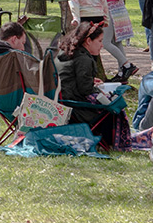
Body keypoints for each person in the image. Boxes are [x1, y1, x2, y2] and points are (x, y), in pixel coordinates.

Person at [54, 22, 127, 151]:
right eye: (99, 41)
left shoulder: (65, 53)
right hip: (75, 107)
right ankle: (110, 144)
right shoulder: (84, 59)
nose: (102, 45)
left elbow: (70, 77)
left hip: (61, 102)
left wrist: (91, 81)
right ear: (88, 41)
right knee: (113, 107)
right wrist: (98, 89)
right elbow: (85, 90)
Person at [0, 21, 40, 123]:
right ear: (14, 39)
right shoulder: (14, 58)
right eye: (23, 43)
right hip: (21, 107)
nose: (23, 48)